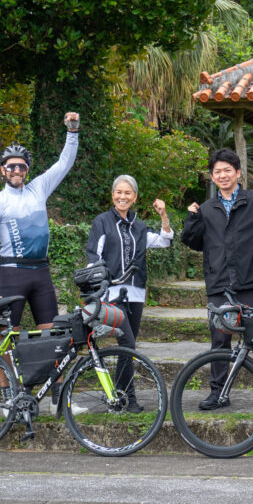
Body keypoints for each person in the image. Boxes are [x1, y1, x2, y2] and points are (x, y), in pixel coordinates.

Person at [0, 111, 80, 416]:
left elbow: (64, 164)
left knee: (55, 338)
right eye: (12, 167)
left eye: (22, 166)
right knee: (6, 341)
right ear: (3, 171)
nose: (17, 170)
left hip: (41, 274)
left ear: (27, 170)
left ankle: (58, 399)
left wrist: (72, 132)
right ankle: (10, 398)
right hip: (11, 274)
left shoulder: (39, 189)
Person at [181, 149, 253, 410]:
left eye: (228, 170)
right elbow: (192, 242)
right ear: (212, 177)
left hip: (252, 281)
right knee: (219, 339)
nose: (223, 175)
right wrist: (192, 219)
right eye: (217, 172)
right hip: (220, 284)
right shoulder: (206, 209)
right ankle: (218, 393)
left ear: (238, 173)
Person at [84, 175, 173, 413]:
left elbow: (165, 241)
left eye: (128, 193)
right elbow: (94, 257)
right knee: (128, 343)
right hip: (111, 293)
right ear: (112, 195)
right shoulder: (102, 221)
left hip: (136, 293)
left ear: (134, 197)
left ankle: (120, 397)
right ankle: (128, 398)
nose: (122, 197)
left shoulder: (139, 225)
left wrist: (163, 215)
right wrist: (100, 285)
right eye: (118, 192)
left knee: (128, 347)